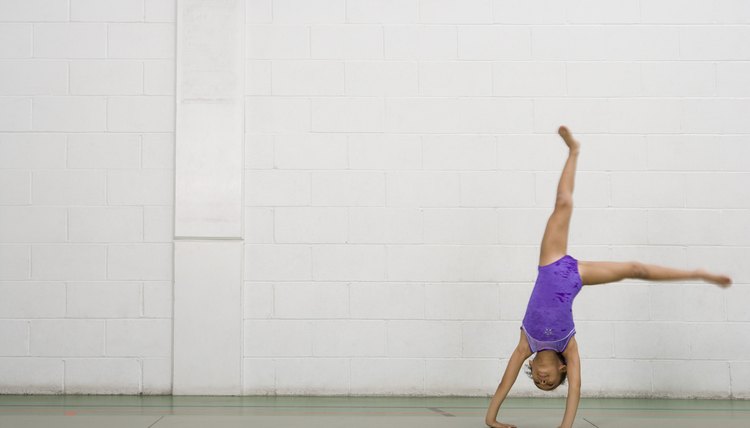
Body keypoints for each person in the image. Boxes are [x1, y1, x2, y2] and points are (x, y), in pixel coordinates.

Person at [484, 126, 733, 428]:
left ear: (532, 366)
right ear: (562, 370)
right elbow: (575, 389)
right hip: (575, 275)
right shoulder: (568, 346)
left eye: (538, 382)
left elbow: (504, 382)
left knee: (564, 202)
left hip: (551, 264)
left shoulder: (526, 344)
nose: (541, 381)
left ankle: (573, 151)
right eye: (548, 385)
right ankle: (697, 273)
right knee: (634, 269)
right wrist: (565, 427)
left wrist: (491, 419)